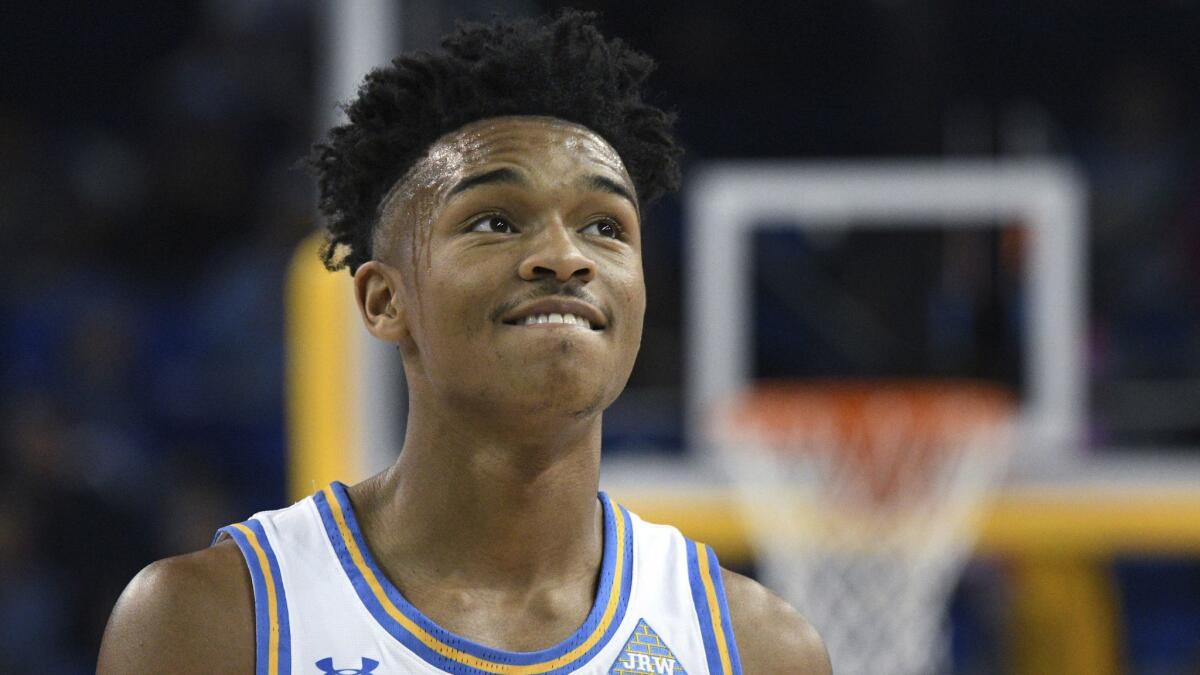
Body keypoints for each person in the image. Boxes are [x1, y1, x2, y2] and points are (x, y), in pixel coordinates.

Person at [98, 11, 830, 674]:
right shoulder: (215, 620)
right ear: (385, 301)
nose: (565, 256)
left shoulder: (755, 646)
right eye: (495, 221)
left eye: (605, 226)